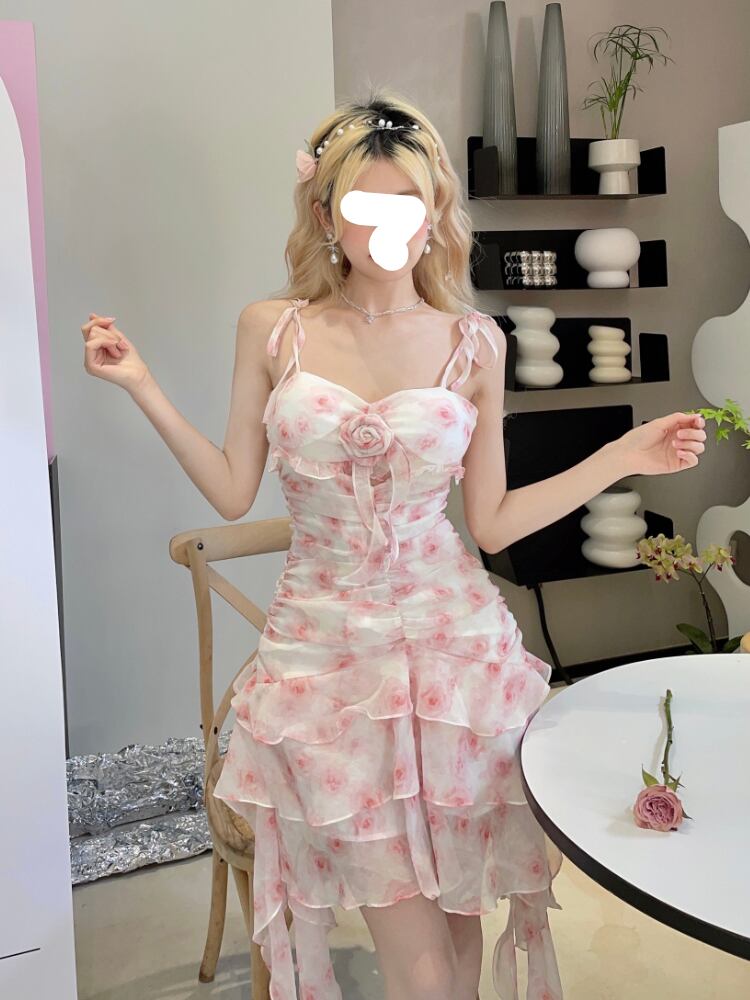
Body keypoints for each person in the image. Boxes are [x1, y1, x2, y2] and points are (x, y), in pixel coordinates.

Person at [81, 88, 706, 1000]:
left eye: (407, 203)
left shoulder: (474, 342)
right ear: (325, 213)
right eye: (364, 204)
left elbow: (491, 523)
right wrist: (142, 385)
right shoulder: (274, 328)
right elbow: (232, 487)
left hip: (456, 663)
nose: (388, 227)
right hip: (327, 668)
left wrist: (622, 455)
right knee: (417, 957)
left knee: (457, 929)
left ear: (435, 211)